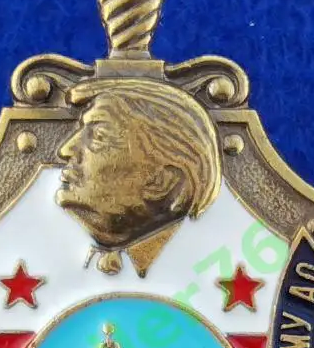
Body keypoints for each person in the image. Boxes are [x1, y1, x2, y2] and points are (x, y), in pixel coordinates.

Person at [56, 78, 221, 277]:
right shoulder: (50, 248)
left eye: (99, 136)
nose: (66, 150)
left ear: (162, 182)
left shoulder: (211, 263)